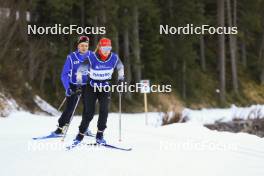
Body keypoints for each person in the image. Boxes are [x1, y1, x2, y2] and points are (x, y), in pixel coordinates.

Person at [74, 37, 125, 144]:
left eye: (108, 48)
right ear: (99, 48)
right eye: (104, 48)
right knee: (89, 112)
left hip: (105, 86)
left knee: (104, 111)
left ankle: (100, 135)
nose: (106, 51)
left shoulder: (114, 58)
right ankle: (81, 133)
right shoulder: (92, 57)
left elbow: (120, 68)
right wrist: (79, 86)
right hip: (91, 87)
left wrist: (121, 80)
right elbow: (79, 71)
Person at [52, 36, 93, 137]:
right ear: (78, 46)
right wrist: (68, 88)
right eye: (82, 45)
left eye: (86, 46)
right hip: (74, 85)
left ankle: (85, 128)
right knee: (70, 108)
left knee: (88, 109)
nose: (84, 48)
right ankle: (60, 128)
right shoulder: (71, 57)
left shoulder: (92, 55)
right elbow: (64, 74)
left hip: (87, 85)